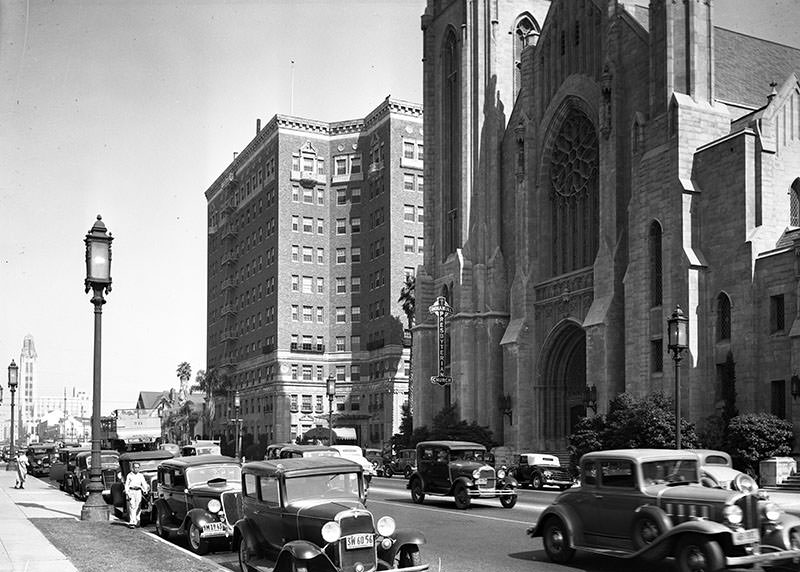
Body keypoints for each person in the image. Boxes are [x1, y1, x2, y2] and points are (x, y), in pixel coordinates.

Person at [124, 462, 150, 528]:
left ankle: (138, 520)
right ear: (133, 468)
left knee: (138, 506)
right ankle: (132, 522)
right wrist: (127, 492)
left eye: (138, 467)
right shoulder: (129, 475)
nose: (137, 469)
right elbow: (126, 484)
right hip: (131, 491)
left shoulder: (140, 475)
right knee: (132, 505)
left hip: (138, 491)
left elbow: (143, 483)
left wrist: (145, 490)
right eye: (135, 467)